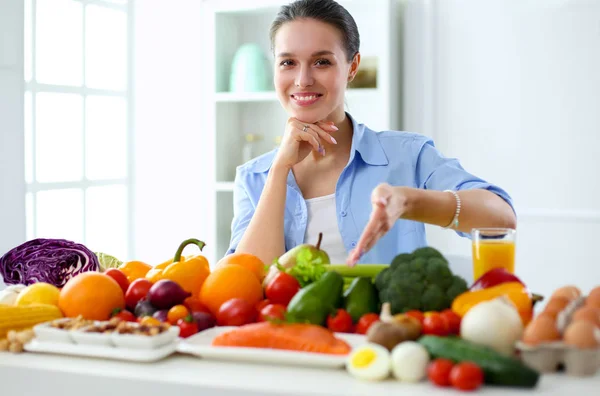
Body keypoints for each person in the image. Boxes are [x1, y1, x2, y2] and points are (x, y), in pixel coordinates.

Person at [225, 0, 516, 268]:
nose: (303, 80)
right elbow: (246, 281)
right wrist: (279, 169)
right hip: (289, 327)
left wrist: (409, 201)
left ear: (352, 67)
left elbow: (502, 218)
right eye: (288, 62)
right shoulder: (254, 177)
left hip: (385, 325)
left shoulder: (407, 155)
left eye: (322, 62)